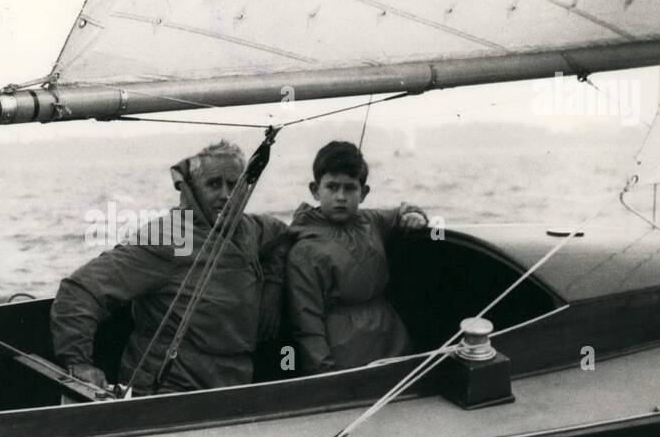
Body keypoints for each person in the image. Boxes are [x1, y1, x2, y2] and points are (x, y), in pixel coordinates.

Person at [51, 140, 290, 395]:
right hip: (170, 388)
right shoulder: (173, 237)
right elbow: (79, 291)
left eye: (234, 185)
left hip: (233, 384)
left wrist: (273, 287)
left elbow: (283, 237)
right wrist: (78, 362)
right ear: (193, 190)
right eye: (213, 184)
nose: (225, 195)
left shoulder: (250, 229)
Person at [286, 140, 428, 375]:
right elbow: (307, 323)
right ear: (315, 189)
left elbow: (399, 212)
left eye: (350, 188)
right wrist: (325, 372)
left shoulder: (370, 220)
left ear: (363, 193)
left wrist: (413, 215)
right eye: (332, 187)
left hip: (391, 337)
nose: (341, 197)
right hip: (344, 350)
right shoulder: (304, 250)